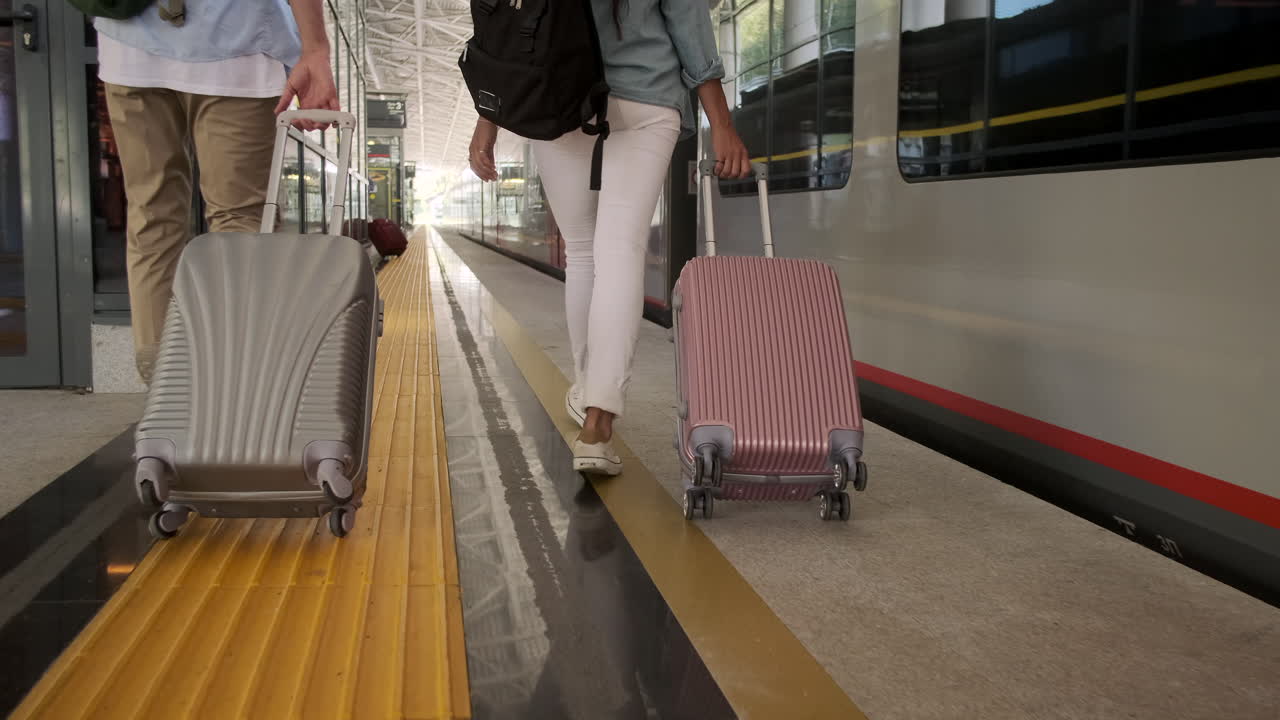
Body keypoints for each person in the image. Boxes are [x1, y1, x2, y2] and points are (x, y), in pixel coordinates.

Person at [468, 0, 750, 476]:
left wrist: (488, 120)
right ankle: (598, 422)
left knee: (581, 253)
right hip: (647, 98)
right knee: (619, 250)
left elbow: (512, 30)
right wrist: (721, 124)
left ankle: (586, 394)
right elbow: (689, 27)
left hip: (558, 101)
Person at [96, 1, 338, 385]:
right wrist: (315, 48)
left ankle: (165, 391)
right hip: (234, 45)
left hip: (131, 46)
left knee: (152, 215)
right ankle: (239, 390)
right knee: (241, 222)